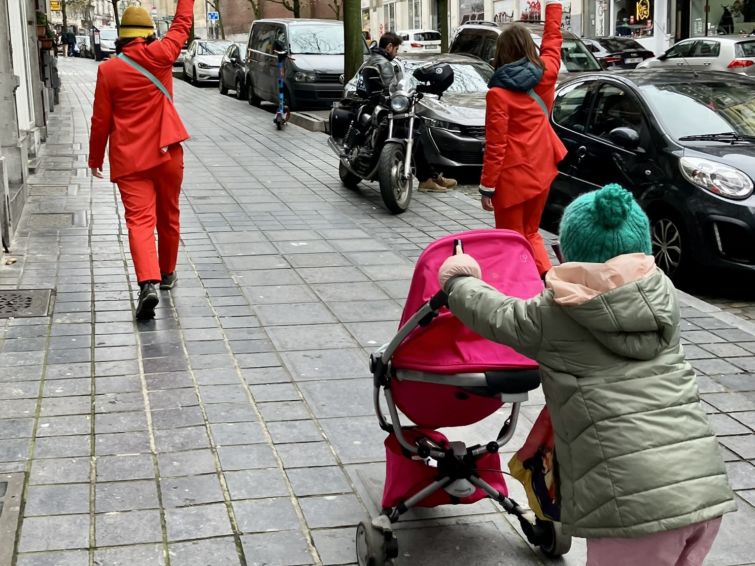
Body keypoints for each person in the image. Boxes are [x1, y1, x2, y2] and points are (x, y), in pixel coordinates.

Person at [437, 184, 737, 566]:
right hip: (702, 491)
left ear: (567, 252)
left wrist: (459, 281)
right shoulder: (663, 299)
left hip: (635, 511)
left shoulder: (556, 315)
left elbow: (498, 314)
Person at [88, 0, 193, 320]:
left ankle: (147, 282)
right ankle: (167, 273)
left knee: (139, 222)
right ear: (148, 33)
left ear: (121, 36)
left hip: (131, 158)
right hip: (167, 153)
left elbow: (100, 119)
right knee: (169, 215)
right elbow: (181, 25)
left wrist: (95, 157)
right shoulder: (162, 54)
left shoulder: (108, 70)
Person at [479, 0, 568, 277]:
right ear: (530, 47)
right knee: (532, 233)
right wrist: (553, 7)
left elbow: (497, 144)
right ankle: (550, 284)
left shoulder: (498, 94)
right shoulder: (547, 74)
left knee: (510, 239)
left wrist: (487, 187)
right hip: (543, 169)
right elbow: (553, 41)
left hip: (512, 179)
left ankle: (520, 289)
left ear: (502, 53)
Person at [361, 32, 457, 193]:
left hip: (377, 108)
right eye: (396, 49)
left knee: (416, 134)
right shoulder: (384, 64)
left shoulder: (371, 60)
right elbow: (391, 89)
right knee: (416, 135)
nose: (396, 53)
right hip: (386, 111)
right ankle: (428, 178)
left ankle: (431, 177)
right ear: (389, 47)